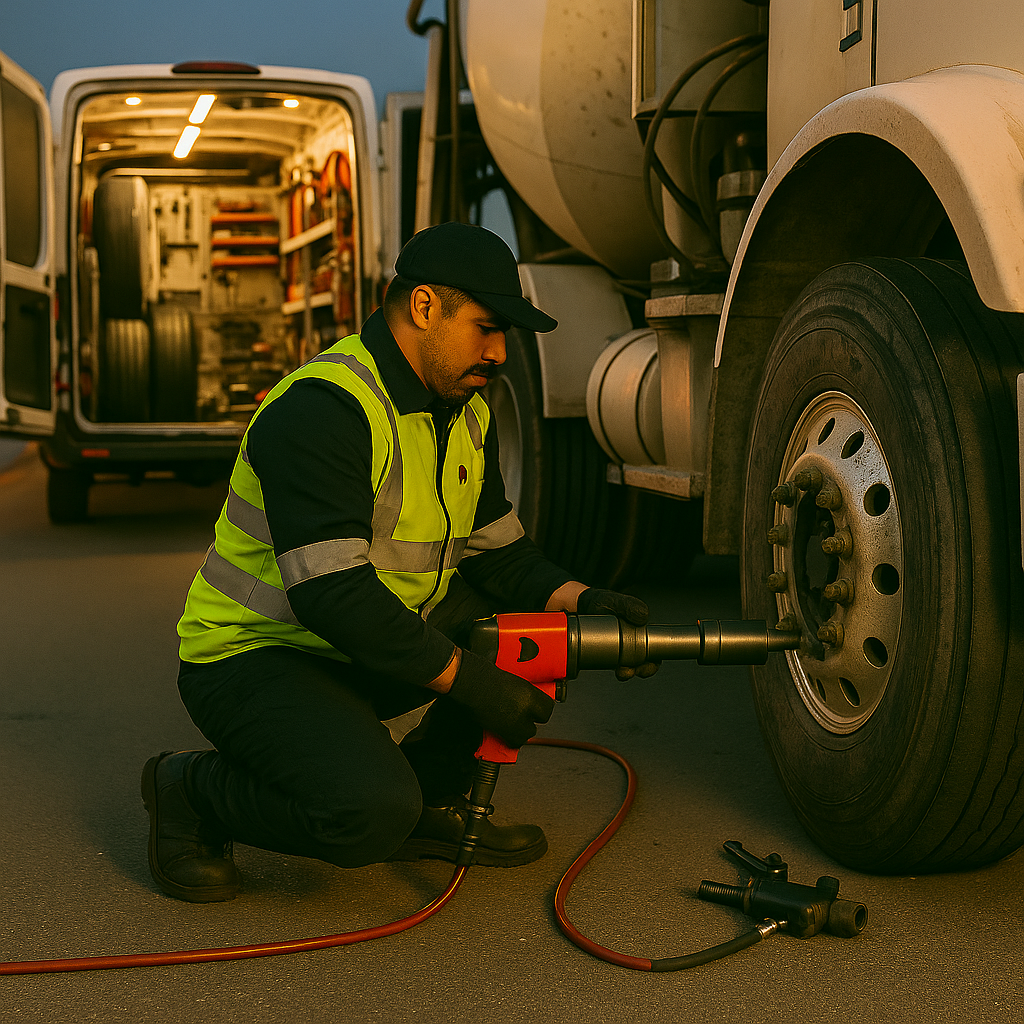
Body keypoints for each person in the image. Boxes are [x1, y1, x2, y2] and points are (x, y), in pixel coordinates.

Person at [142, 222, 657, 903]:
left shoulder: (462, 412)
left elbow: (502, 560)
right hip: (253, 658)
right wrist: (469, 682)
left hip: (358, 648)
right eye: (486, 327)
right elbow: (332, 595)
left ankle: (425, 803)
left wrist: (585, 604)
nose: (500, 352)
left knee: (531, 634)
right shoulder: (324, 409)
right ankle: (188, 790)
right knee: (364, 816)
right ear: (423, 309)